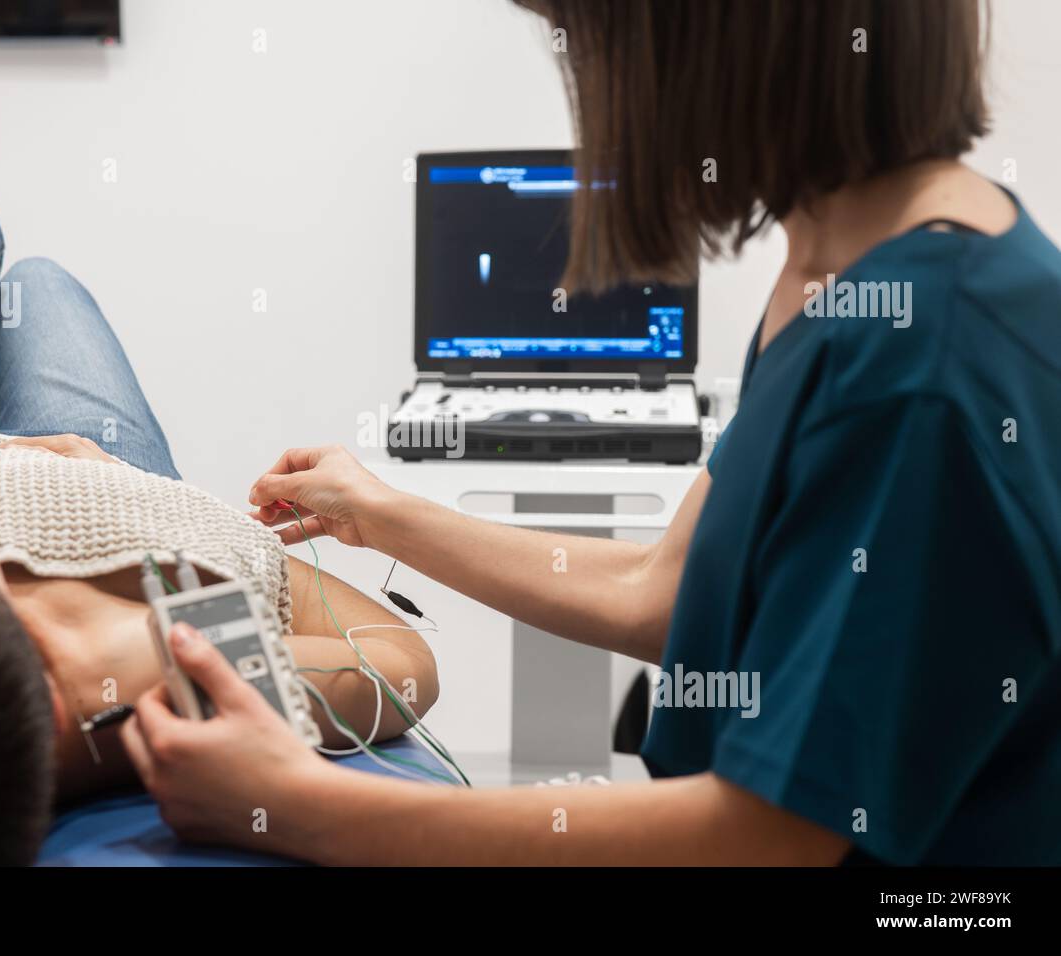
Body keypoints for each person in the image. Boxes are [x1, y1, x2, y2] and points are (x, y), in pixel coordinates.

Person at [121, 0, 1061, 865]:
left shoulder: (922, 360)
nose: (605, 108)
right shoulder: (837, 269)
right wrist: (380, 513)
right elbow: (667, 591)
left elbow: (769, 836)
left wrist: (297, 804)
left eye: (607, 54)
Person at [0, 181, 438, 865]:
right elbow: (405, 667)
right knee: (42, 287)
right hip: (91, 472)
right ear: (50, 691)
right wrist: (221, 546)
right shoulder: (142, 664)